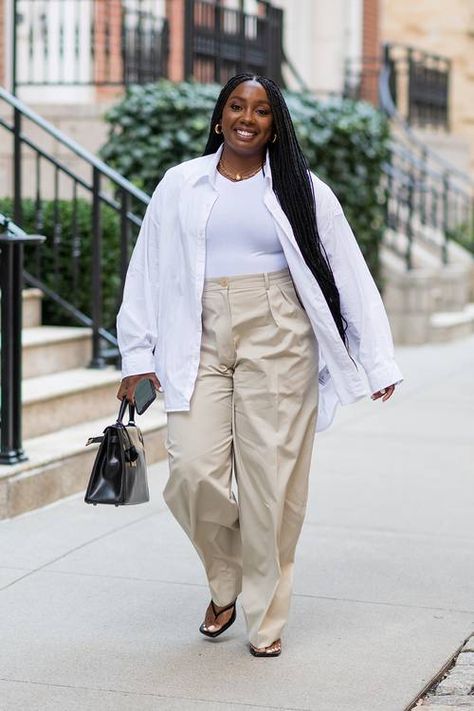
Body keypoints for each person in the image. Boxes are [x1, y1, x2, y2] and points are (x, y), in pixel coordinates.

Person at [116, 73, 403, 658]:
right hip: (194, 334)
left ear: (276, 125)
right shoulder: (180, 185)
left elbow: (347, 269)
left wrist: (378, 361)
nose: (248, 117)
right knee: (191, 473)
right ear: (219, 117)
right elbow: (146, 271)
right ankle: (227, 576)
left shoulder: (302, 188)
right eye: (237, 106)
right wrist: (136, 356)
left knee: (271, 485)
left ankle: (264, 618)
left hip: (278, 332)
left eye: (263, 110)